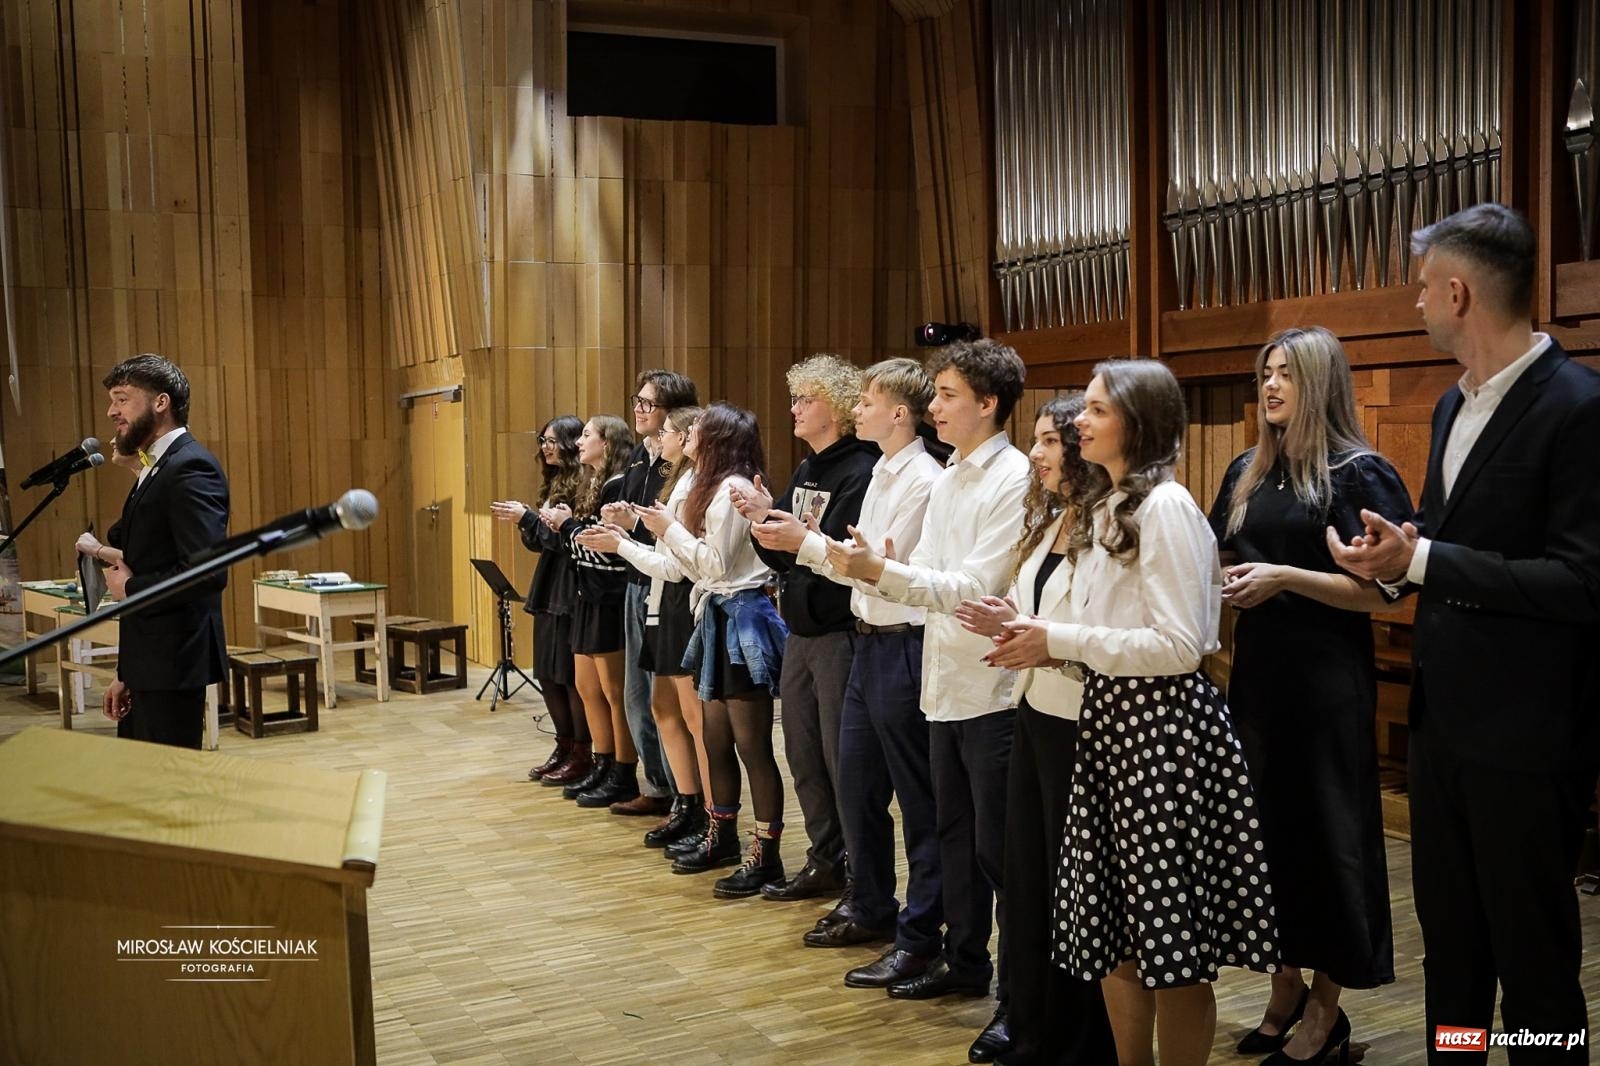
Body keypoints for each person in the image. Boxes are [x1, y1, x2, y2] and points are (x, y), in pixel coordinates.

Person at [1328, 203, 1600, 1065]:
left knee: (1534, 960)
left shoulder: (1579, 406)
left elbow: (1584, 582)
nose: (1414, 304)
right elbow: (1440, 548)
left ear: (1457, 292)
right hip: (1441, 727)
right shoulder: (1451, 406)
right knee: (1452, 949)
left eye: (1420, 289)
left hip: (1528, 735)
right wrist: (1393, 560)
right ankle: (1456, 1057)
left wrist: (1430, 560)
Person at [987, 359, 1276, 1066]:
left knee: (1171, 952)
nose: (1079, 421)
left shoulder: (1166, 508)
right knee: (1114, 943)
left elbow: (1181, 646)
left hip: (1161, 737)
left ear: (1138, 423)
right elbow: (1105, 634)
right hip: (1109, 727)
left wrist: (1058, 639)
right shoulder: (1109, 506)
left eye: (1095, 410)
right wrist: (1039, 639)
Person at [1207, 327, 1410, 1063]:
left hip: (1325, 688)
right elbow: (1220, 554)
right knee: (1268, 847)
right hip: (1258, 682)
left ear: (1319, 381)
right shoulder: (1247, 470)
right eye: (1265, 372)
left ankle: (1328, 1013)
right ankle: (1283, 986)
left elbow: (1382, 592)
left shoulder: (1361, 473)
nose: (1270, 385)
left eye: (1286, 373)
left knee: (1328, 848)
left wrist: (1285, 578)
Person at [825, 339, 1030, 1062]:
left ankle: (1018, 998)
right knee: (955, 836)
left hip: (992, 685)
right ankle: (965, 961)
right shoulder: (951, 478)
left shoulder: (1013, 477)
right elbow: (927, 575)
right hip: (943, 678)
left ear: (988, 404)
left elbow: (974, 584)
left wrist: (883, 571)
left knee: (1004, 855)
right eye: (935, 393)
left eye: (945, 395)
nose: (933, 406)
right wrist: (874, 567)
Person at [755, 358, 944, 972]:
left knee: (907, 798)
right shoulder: (884, 470)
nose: (858, 409)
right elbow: (848, 558)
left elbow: (879, 569)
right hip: (857, 633)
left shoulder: (912, 476)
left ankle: (921, 931)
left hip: (890, 642)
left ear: (897, 412)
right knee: (849, 782)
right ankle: (865, 898)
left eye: (867, 401)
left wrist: (810, 547)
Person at [955, 394, 1116, 1066]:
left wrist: (1051, 642)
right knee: (1029, 885)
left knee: (1075, 892)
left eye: (1052, 441)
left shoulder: (1116, 523)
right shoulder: (1052, 519)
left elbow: (1128, 636)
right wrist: (1008, 618)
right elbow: (1041, 611)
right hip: (1036, 715)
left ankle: (1076, 1039)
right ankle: (1032, 1024)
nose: (1039, 454)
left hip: (1084, 725)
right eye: (1040, 440)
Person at [736, 354, 877, 904]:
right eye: (794, 399)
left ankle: (861, 876)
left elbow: (833, 554)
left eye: (805, 400)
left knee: (844, 764)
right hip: (799, 631)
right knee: (803, 755)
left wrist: (786, 535)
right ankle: (823, 860)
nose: (793, 409)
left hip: (840, 631)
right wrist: (759, 518)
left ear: (837, 407)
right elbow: (782, 554)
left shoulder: (859, 469)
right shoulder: (806, 469)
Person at [642, 403, 789, 898]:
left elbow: (716, 564)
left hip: (742, 618)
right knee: (715, 739)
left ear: (719, 438)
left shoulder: (734, 490)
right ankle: (720, 834)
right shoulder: (712, 484)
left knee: (752, 747)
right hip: (717, 613)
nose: (689, 434)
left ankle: (765, 853)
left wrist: (669, 530)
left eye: (698, 429)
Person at [77, 354, 229, 749]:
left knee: (166, 795)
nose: (112, 411)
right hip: (150, 663)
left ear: (161, 402)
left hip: (174, 662)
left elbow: (209, 572)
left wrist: (130, 588)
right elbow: (149, 549)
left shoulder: (191, 467)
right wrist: (127, 672)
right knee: (142, 789)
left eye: (122, 399)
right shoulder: (159, 467)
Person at [580, 405, 711, 850]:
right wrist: (632, 526)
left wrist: (621, 544)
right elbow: (663, 544)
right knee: (661, 707)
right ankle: (686, 803)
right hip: (659, 598)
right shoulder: (677, 478)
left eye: (671, 431)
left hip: (680, 603)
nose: (661, 438)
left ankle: (713, 819)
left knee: (696, 720)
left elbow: (680, 562)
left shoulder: (701, 484)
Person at [600, 370, 701, 818]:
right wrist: (622, 517)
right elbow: (648, 520)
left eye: (648, 404)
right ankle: (662, 786)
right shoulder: (643, 457)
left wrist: (629, 528)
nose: (638, 410)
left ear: (674, 415)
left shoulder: (681, 463)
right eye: (637, 401)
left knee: (676, 706)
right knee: (639, 695)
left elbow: (672, 531)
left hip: (668, 583)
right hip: (640, 579)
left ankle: (685, 796)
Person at [491, 415, 590, 784]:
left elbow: (565, 541)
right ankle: (563, 745)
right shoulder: (553, 484)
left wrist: (529, 519)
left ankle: (583, 751)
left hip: (571, 586)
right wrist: (526, 521)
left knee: (567, 676)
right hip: (549, 584)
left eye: (552, 441)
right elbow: (539, 542)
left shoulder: (582, 485)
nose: (545, 447)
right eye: (542, 440)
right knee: (546, 674)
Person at [545, 415, 636, 808]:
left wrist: (564, 528)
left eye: (587, 435)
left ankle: (622, 770)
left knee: (614, 693)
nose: (579, 442)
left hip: (608, 598)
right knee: (587, 688)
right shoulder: (591, 483)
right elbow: (580, 545)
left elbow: (601, 549)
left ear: (608, 443)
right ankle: (599, 762)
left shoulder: (616, 486)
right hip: (586, 594)